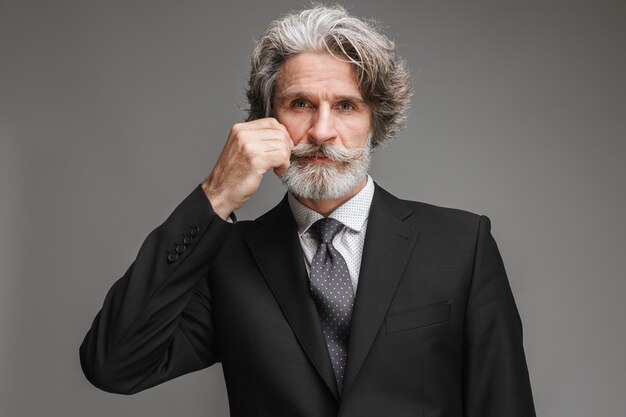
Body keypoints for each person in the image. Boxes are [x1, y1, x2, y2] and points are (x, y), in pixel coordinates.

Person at [80, 5, 536, 417]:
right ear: (266, 118)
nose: (321, 130)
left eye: (345, 106)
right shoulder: (226, 259)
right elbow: (114, 364)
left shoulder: (461, 244)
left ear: (375, 120)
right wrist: (216, 196)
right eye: (300, 104)